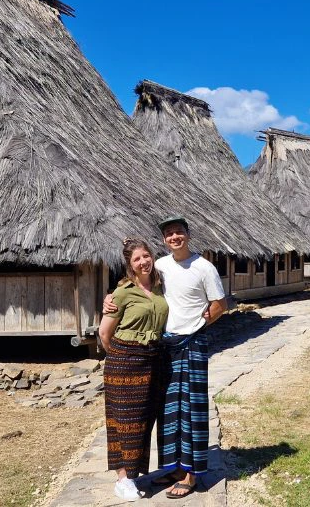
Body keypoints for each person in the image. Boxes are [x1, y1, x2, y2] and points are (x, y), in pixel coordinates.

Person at [104, 215, 227, 499]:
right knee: (168, 410)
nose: (175, 238)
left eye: (179, 233)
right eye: (169, 234)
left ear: (187, 235)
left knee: (192, 409)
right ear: (164, 240)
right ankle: (174, 467)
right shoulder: (159, 265)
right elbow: (133, 283)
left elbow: (220, 304)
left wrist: (197, 327)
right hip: (164, 347)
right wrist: (109, 298)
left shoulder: (203, 267)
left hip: (192, 344)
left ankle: (191, 475)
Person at [99, 238, 169, 502]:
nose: (143, 262)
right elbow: (105, 334)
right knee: (122, 421)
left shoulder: (162, 287)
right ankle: (122, 479)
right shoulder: (123, 293)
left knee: (143, 420)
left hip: (153, 358)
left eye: (146, 256)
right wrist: (122, 355)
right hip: (125, 360)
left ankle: (133, 473)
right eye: (137, 259)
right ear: (130, 266)